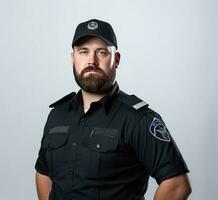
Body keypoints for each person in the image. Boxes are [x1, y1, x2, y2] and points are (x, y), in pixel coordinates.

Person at [35, 19, 191, 200]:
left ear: (116, 59)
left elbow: (177, 185)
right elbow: (43, 173)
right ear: (73, 58)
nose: (91, 61)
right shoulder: (57, 115)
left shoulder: (138, 119)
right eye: (83, 52)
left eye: (101, 52)